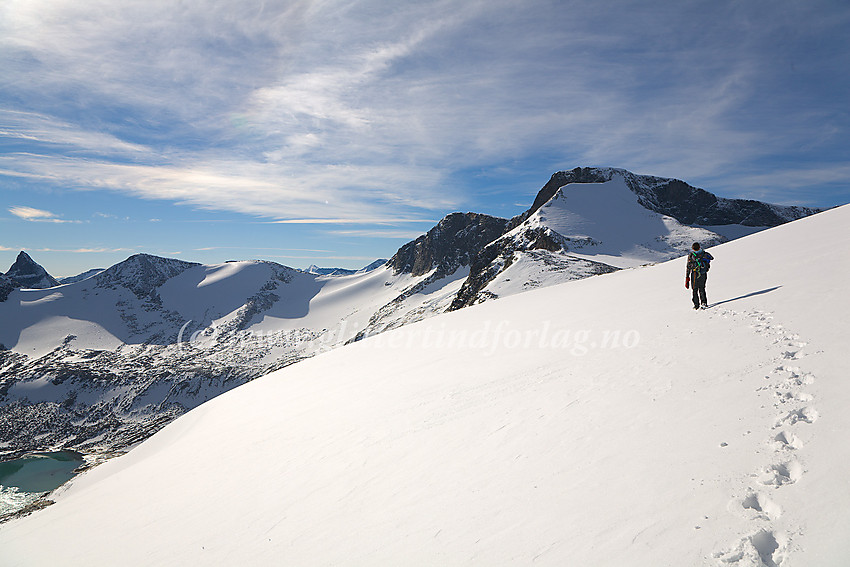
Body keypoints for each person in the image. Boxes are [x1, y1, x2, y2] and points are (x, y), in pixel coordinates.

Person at [685, 243, 713, 309]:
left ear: (692, 248)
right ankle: (704, 303)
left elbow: (688, 266)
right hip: (703, 273)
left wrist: (687, 277)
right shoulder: (704, 254)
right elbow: (712, 258)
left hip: (694, 274)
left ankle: (696, 305)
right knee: (702, 288)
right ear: (699, 247)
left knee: (694, 289)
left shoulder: (691, 255)